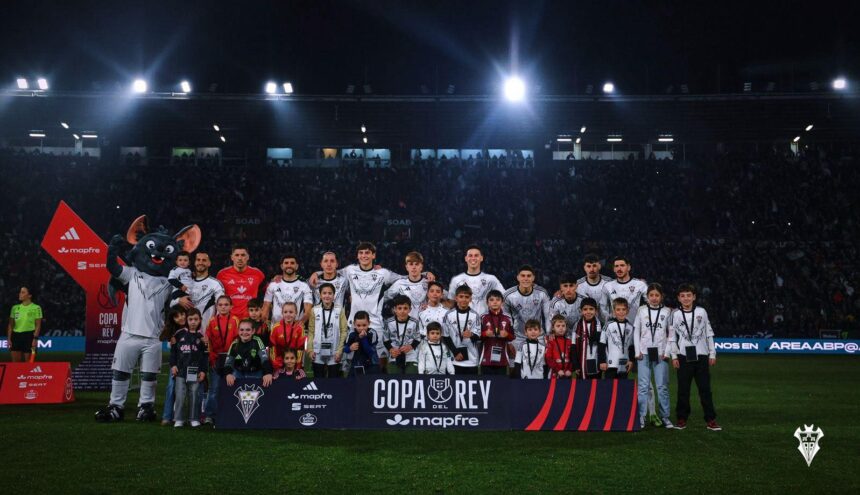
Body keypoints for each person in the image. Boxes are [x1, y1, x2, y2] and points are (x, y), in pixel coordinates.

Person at [668, 284, 720, 431]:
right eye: (683, 296)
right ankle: (681, 418)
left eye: (689, 295)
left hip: (702, 355)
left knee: (705, 389)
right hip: (683, 356)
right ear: (678, 298)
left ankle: (710, 419)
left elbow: (708, 333)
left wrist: (712, 353)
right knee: (683, 389)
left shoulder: (701, 312)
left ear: (694, 297)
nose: (686, 298)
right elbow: (672, 337)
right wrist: (674, 356)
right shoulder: (675, 314)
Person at [634, 283, 674, 429]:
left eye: (657, 295)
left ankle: (665, 417)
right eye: (651, 295)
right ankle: (641, 416)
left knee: (662, 386)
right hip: (643, 354)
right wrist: (637, 351)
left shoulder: (667, 312)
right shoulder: (641, 310)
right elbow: (636, 331)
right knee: (643, 387)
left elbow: (671, 333)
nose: (654, 298)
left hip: (660, 354)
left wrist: (667, 352)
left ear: (661, 296)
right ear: (647, 297)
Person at [504, 265, 552, 364]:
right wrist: (508, 341)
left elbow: (548, 316)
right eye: (523, 276)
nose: (526, 279)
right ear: (518, 277)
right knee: (515, 368)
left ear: (533, 278)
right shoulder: (508, 295)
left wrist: (548, 335)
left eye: (529, 276)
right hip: (518, 337)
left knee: (540, 366)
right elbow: (506, 320)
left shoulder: (542, 293)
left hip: (538, 336)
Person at [203, 295, 240, 425]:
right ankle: (209, 415)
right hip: (217, 358)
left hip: (230, 359)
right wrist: (212, 358)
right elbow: (209, 341)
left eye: (226, 304)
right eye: (220, 305)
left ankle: (230, 413)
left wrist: (234, 359)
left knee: (231, 388)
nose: (223, 307)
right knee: (214, 389)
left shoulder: (235, 320)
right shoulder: (212, 321)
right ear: (217, 306)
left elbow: (238, 341)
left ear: (231, 306)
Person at [170, 308, 207, 428]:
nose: (193, 322)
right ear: (186, 320)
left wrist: (202, 370)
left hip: (194, 371)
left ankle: (194, 418)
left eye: (196, 319)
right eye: (190, 319)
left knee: (194, 394)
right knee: (180, 395)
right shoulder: (179, 334)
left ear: (200, 320)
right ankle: (179, 419)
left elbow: (204, 356)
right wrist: (173, 365)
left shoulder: (201, 337)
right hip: (180, 370)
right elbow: (173, 352)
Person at [448, 245, 505, 317]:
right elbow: (451, 303)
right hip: (464, 321)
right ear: (466, 258)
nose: (473, 258)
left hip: (485, 322)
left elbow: (504, 297)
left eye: (476, 255)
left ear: (481, 258)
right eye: (470, 255)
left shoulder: (491, 279)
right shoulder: (456, 280)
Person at [174, 250, 224, 328]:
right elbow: (170, 304)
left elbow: (221, 309)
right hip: (185, 331)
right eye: (198, 260)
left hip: (206, 332)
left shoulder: (216, 284)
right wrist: (178, 300)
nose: (200, 262)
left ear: (209, 263)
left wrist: (215, 328)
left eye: (204, 260)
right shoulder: (184, 282)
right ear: (194, 262)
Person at [306, 283, 348, 378]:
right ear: (320, 295)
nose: (327, 295)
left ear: (334, 295)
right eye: (324, 293)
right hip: (317, 351)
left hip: (334, 351)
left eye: (330, 293)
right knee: (318, 380)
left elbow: (344, 331)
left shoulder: (339, 310)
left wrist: (340, 350)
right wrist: (310, 350)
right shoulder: (314, 310)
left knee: (333, 380)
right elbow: (311, 331)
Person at [261, 254, 313, 325]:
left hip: (295, 328)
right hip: (276, 327)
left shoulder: (304, 286)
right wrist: (264, 324)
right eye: (286, 263)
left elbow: (307, 311)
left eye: (292, 263)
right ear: (282, 266)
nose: (289, 265)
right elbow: (266, 306)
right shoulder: (273, 285)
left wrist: (300, 324)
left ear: (297, 266)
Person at [216, 244, 266, 319]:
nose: (240, 258)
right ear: (232, 257)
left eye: (243, 255)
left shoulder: (257, 274)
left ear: (248, 257)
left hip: (250, 319)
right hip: (229, 319)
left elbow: (268, 291)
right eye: (237, 255)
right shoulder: (222, 274)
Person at [441, 285, 481, 375]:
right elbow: (445, 337)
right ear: (456, 298)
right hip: (454, 358)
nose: (464, 299)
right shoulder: (449, 315)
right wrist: (455, 352)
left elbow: (478, 337)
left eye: (467, 297)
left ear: (470, 299)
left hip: (471, 360)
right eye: (461, 296)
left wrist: (471, 335)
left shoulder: (475, 316)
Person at [158, 305, 187, 426]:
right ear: (172, 319)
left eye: (182, 314)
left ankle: (194, 417)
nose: (180, 318)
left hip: (193, 364)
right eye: (176, 316)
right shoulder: (172, 332)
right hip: (177, 364)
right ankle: (167, 416)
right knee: (171, 388)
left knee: (195, 390)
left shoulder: (194, 324)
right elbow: (171, 351)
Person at [224, 319, 274, 388]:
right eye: (241, 330)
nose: (244, 332)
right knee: (230, 382)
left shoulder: (257, 341)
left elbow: (264, 359)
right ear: (238, 331)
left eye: (248, 330)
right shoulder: (234, 344)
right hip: (239, 373)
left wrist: (268, 373)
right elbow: (228, 363)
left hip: (256, 372)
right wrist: (228, 374)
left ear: (253, 331)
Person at [384, 251, 431, 320]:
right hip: (407, 323)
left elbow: (444, 298)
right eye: (411, 264)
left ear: (421, 267)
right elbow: (383, 298)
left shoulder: (429, 282)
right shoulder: (399, 283)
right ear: (407, 267)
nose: (414, 267)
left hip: (425, 323)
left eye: (417, 264)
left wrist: (432, 306)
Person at [601, 256, 648, 325]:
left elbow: (651, 303)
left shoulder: (640, 284)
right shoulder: (607, 286)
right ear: (614, 269)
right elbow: (602, 307)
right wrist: (609, 319)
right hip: (615, 327)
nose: (619, 269)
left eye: (622, 265)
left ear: (628, 267)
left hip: (634, 327)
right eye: (616, 266)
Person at [479, 290, 514, 375]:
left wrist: (507, 335)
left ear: (502, 302)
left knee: (501, 385)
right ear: (487, 303)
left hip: (502, 358)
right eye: (491, 300)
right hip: (486, 358)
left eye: (498, 300)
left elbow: (513, 336)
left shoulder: (508, 317)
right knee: (486, 384)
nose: (495, 302)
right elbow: (477, 336)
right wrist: (485, 334)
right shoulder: (483, 317)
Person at [383, 295, 421, 374]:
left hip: (410, 356)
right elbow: (385, 340)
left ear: (410, 309)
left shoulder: (415, 322)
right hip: (395, 355)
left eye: (405, 308)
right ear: (394, 309)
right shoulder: (389, 322)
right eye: (399, 308)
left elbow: (418, 338)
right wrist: (391, 349)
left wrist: (411, 346)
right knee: (394, 379)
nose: (402, 311)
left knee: (412, 377)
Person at [599, 298, 635, 379]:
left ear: (627, 311)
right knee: (609, 388)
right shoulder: (608, 325)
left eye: (623, 309)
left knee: (622, 388)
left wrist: (631, 360)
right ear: (614, 311)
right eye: (618, 309)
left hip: (624, 363)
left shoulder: (630, 327)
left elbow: (632, 346)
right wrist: (602, 361)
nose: (621, 312)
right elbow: (602, 344)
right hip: (610, 364)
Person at [6, 286, 42, 362]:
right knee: (16, 365)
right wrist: (9, 339)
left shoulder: (36, 308)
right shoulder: (15, 308)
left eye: (23, 292)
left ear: (29, 295)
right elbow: (10, 325)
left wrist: (35, 339)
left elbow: (38, 325)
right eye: (20, 292)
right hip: (15, 336)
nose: (20, 294)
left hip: (29, 336)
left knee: (29, 365)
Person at [270, 302, 307, 375]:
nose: (288, 314)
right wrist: (276, 364)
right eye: (285, 312)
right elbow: (272, 348)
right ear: (282, 313)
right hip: (279, 362)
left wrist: (297, 366)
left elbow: (300, 349)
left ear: (296, 313)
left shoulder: (299, 328)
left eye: (291, 312)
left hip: (293, 362)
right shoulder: (275, 328)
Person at [576, 254, 612, 322]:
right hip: (586, 324)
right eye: (588, 266)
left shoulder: (609, 282)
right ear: (584, 268)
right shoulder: (577, 285)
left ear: (599, 266)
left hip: (607, 323)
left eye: (594, 266)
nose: (592, 269)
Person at [573, 298, 602, 379]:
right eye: (585, 309)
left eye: (591, 309)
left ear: (596, 311)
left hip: (595, 361)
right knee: (582, 388)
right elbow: (573, 347)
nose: (588, 312)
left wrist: (602, 361)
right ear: (581, 311)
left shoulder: (600, 325)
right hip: (581, 362)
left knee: (595, 387)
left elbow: (603, 346)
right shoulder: (576, 326)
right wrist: (576, 365)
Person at [344, 311, 380, 376]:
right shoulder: (351, 333)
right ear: (354, 324)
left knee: (371, 384)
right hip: (356, 362)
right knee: (351, 383)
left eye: (364, 325)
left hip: (371, 363)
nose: (361, 328)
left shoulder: (372, 333)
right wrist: (350, 348)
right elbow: (345, 349)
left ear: (369, 323)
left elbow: (370, 352)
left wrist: (363, 338)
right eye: (358, 325)